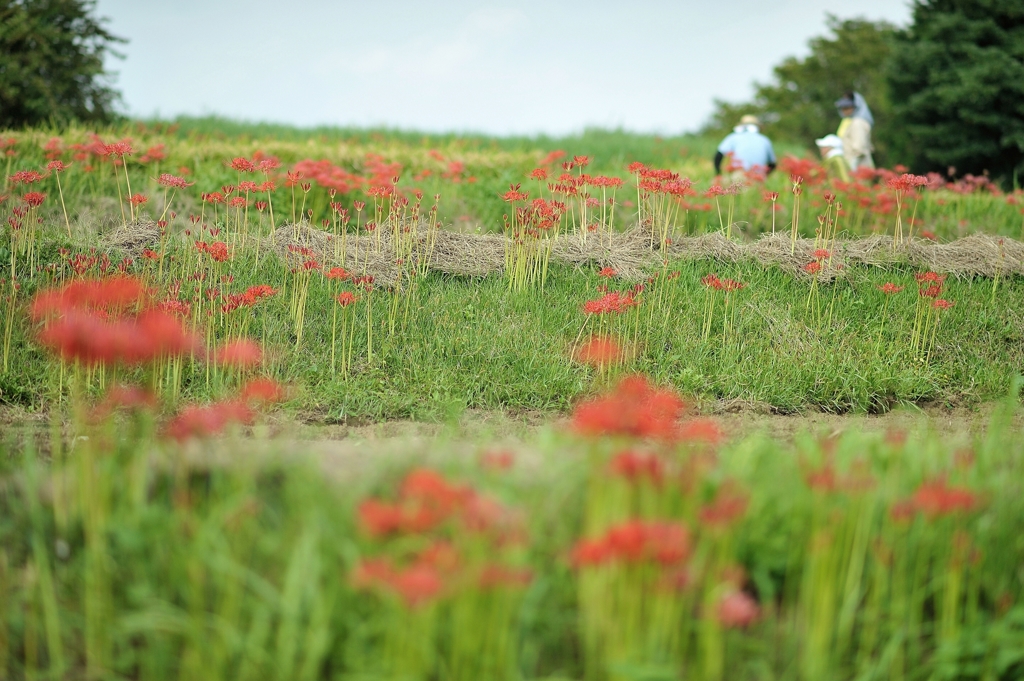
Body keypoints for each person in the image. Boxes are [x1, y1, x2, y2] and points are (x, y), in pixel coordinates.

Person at [834, 92, 875, 171]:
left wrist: (853, 168)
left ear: (856, 106)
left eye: (847, 107)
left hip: (860, 169)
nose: (844, 110)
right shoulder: (849, 121)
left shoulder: (858, 123)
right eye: (843, 107)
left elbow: (859, 149)